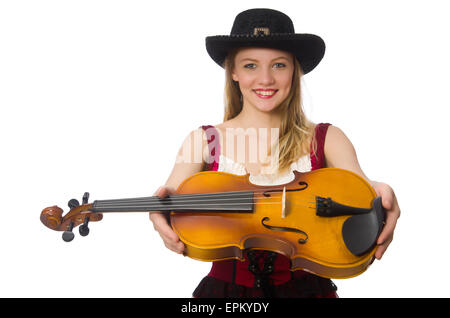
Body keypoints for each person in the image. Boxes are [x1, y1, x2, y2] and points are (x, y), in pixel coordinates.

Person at [149, 8, 400, 298]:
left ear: (295, 69)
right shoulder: (203, 141)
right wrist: (158, 210)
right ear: (233, 71)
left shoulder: (327, 138)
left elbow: (360, 198)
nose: (265, 79)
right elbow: (169, 195)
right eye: (250, 65)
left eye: (279, 65)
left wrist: (379, 197)